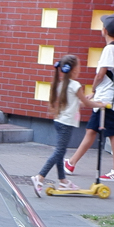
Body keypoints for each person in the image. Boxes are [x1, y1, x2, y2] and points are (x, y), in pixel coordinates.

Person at [68, 14, 114, 181]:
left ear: (104, 30)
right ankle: (71, 163)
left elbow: (100, 74)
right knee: (91, 130)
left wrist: (94, 89)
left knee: (113, 133)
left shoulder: (109, 49)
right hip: (107, 97)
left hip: (107, 99)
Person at [34, 57, 88, 192]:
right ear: (74, 70)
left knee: (60, 152)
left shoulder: (61, 84)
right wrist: (101, 104)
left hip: (59, 122)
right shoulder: (75, 85)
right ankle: (40, 177)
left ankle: (63, 181)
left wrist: (88, 99)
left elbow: (77, 103)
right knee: (59, 152)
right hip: (66, 123)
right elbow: (87, 104)